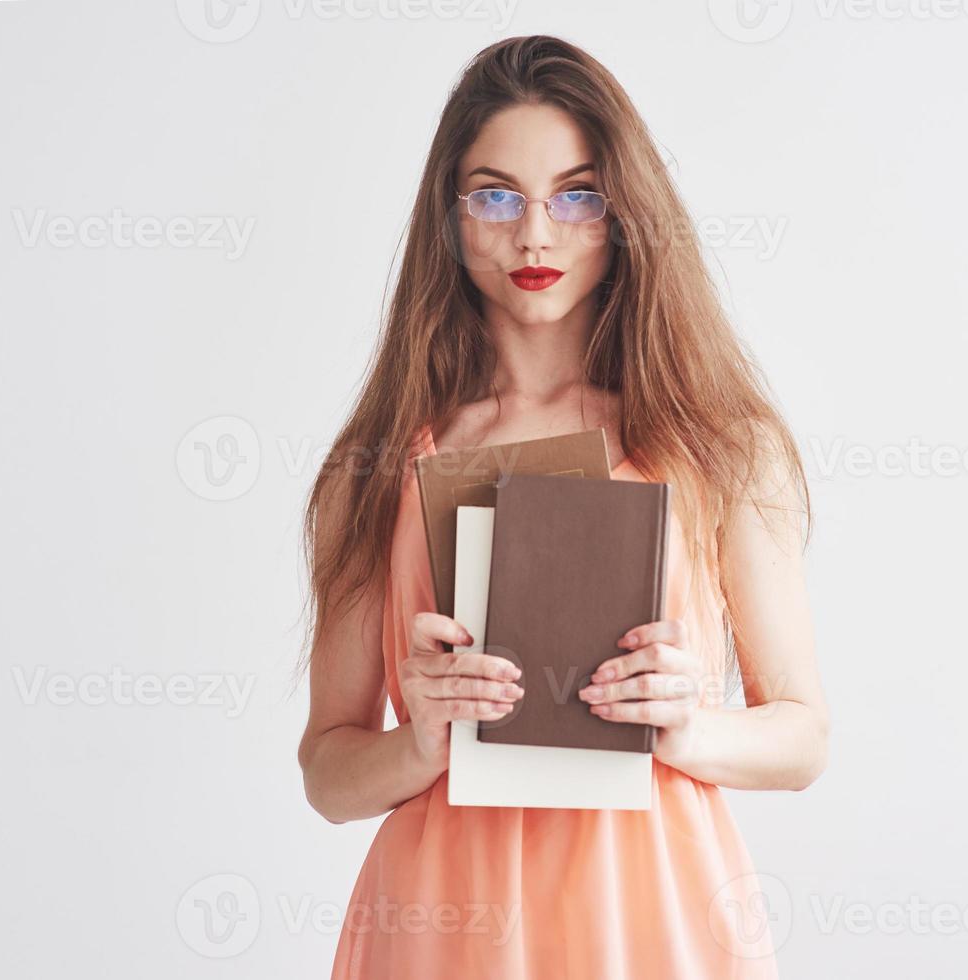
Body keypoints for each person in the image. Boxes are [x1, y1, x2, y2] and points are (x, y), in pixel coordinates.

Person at [296, 35, 828, 979]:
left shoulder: (721, 446)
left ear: (624, 214)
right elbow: (329, 775)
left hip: (655, 911)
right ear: (449, 217)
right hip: (438, 921)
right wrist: (420, 738)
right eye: (495, 195)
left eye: (576, 195)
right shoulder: (377, 465)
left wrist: (689, 723)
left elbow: (801, 736)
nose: (533, 234)